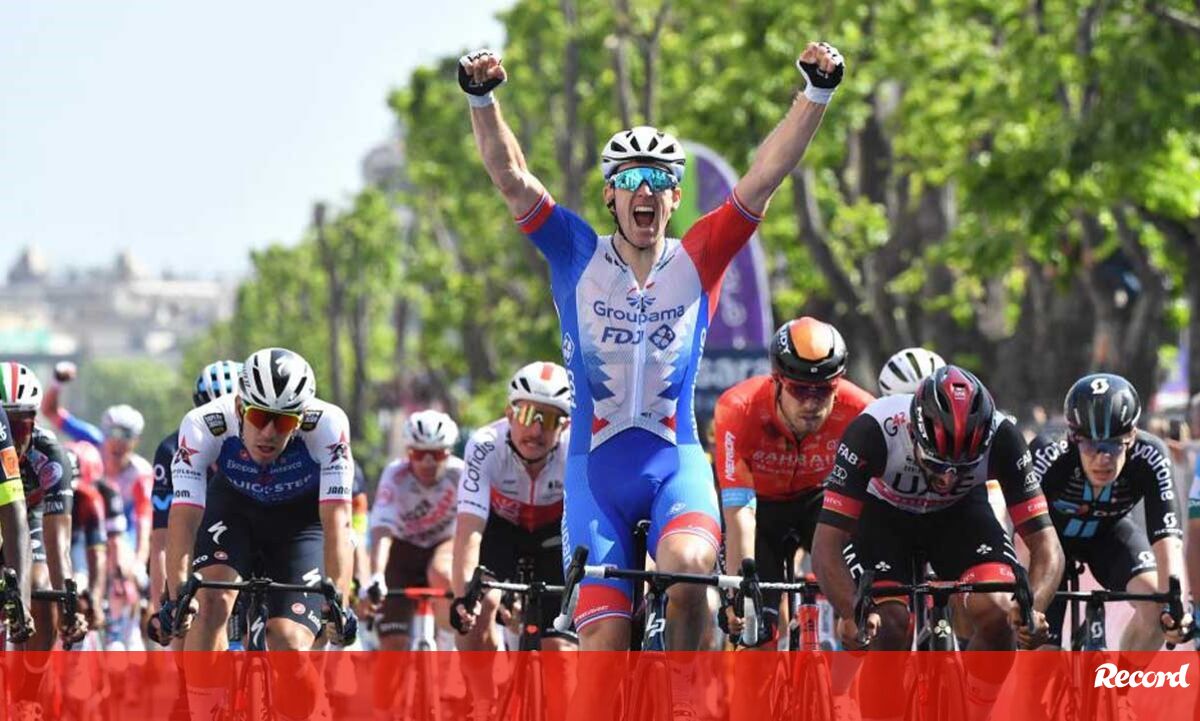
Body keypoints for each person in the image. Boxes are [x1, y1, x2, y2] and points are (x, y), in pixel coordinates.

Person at [460, 38, 844, 676]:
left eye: (661, 180)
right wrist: (483, 99)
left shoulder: (699, 257)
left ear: (674, 197)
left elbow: (765, 177)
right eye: (631, 180)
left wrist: (815, 93)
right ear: (610, 196)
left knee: (690, 569)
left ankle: (684, 696)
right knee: (603, 656)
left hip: (674, 462)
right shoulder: (575, 252)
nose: (647, 190)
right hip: (596, 474)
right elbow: (511, 176)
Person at [812, 365, 1064, 721]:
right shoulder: (873, 430)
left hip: (959, 515)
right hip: (882, 517)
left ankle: (977, 713)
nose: (947, 478)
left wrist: (1031, 610)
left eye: (963, 468)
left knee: (999, 610)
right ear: (912, 432)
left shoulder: (1003, 438)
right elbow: (826, 544)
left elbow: (1046, 542)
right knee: (888, 623)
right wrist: (851, 611)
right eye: (936, 463)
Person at [156, 348, 357, 721]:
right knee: (209, 602)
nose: (268, 433)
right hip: (233, 510)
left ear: (300, 420)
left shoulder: (328, 425)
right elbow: (183, 519)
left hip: (300, 523)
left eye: (283, 422)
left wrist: (338, 604)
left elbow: (337, 521)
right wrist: (177, 597)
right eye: (260, 416)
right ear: (239, 407)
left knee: (289, 644)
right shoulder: (204, 424)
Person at [716, 318, 873, 648]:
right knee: (756, 630)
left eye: (824, 390)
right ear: (777, 380)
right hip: (759, 510)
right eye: (799, 390)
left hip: (820, 502)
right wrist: (738, 593)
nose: (811, 403)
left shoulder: (862, 411)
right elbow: (739, 513)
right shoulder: (739, 408)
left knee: (862, 616)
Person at [1030, 374, 1192, 656]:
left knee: (1157, 609)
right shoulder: (1048, 453)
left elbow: (1169, 542)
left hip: (1109, 536)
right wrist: (1027, 609)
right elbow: (1025, 539)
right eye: (1090, 445)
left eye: (1114, 444)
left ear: (1132, 436)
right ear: (1074, 438)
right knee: (1039, 650)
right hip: (1049, 543)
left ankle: (1120, 682)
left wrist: (1174, 608)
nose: (1102, 458)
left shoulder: (1151, 455)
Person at [452, 362, 576, 721]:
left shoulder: (576, 451)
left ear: (565, 425)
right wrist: (464, 598)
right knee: (477, 609)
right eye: (526, 414)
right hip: (500, 532)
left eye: (549, 419)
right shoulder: (484, 445)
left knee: (562, 658)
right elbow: (469, 529)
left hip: (554, 536)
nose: (536, 429)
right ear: (509, 413)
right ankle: (483, 704)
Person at [363, 410, 462, 720]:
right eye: (419, 454)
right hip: (401, 552)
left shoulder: (461, 473)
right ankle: (383, 712)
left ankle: (448, 646)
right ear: (408, 453)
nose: (428, 462)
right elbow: (382, 531)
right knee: (392, 646)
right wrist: (376, 575)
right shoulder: (395, 475)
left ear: (449, 452)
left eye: (437, 454)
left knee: (441, 572)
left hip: (443, 545)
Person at [0, 362, 84, 720]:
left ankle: (28, 695)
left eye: (22, 425)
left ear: (35, 421)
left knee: (40, 585)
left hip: (31, 520)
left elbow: (58, 544)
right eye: (6, 424)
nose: (14, 436)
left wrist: (68, 604)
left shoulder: (50, 455)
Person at [42, 363, 154, 580]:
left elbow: (143, 521)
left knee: (124, 563)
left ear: (136, 441)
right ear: (104, 433)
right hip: (85, 522)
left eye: (127, 437)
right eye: (113, 434)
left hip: (122, 530)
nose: (118, 443)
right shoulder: (92, 441)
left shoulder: (141, 473)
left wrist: (139, 562)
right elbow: (50, 412)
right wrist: (57, 383)